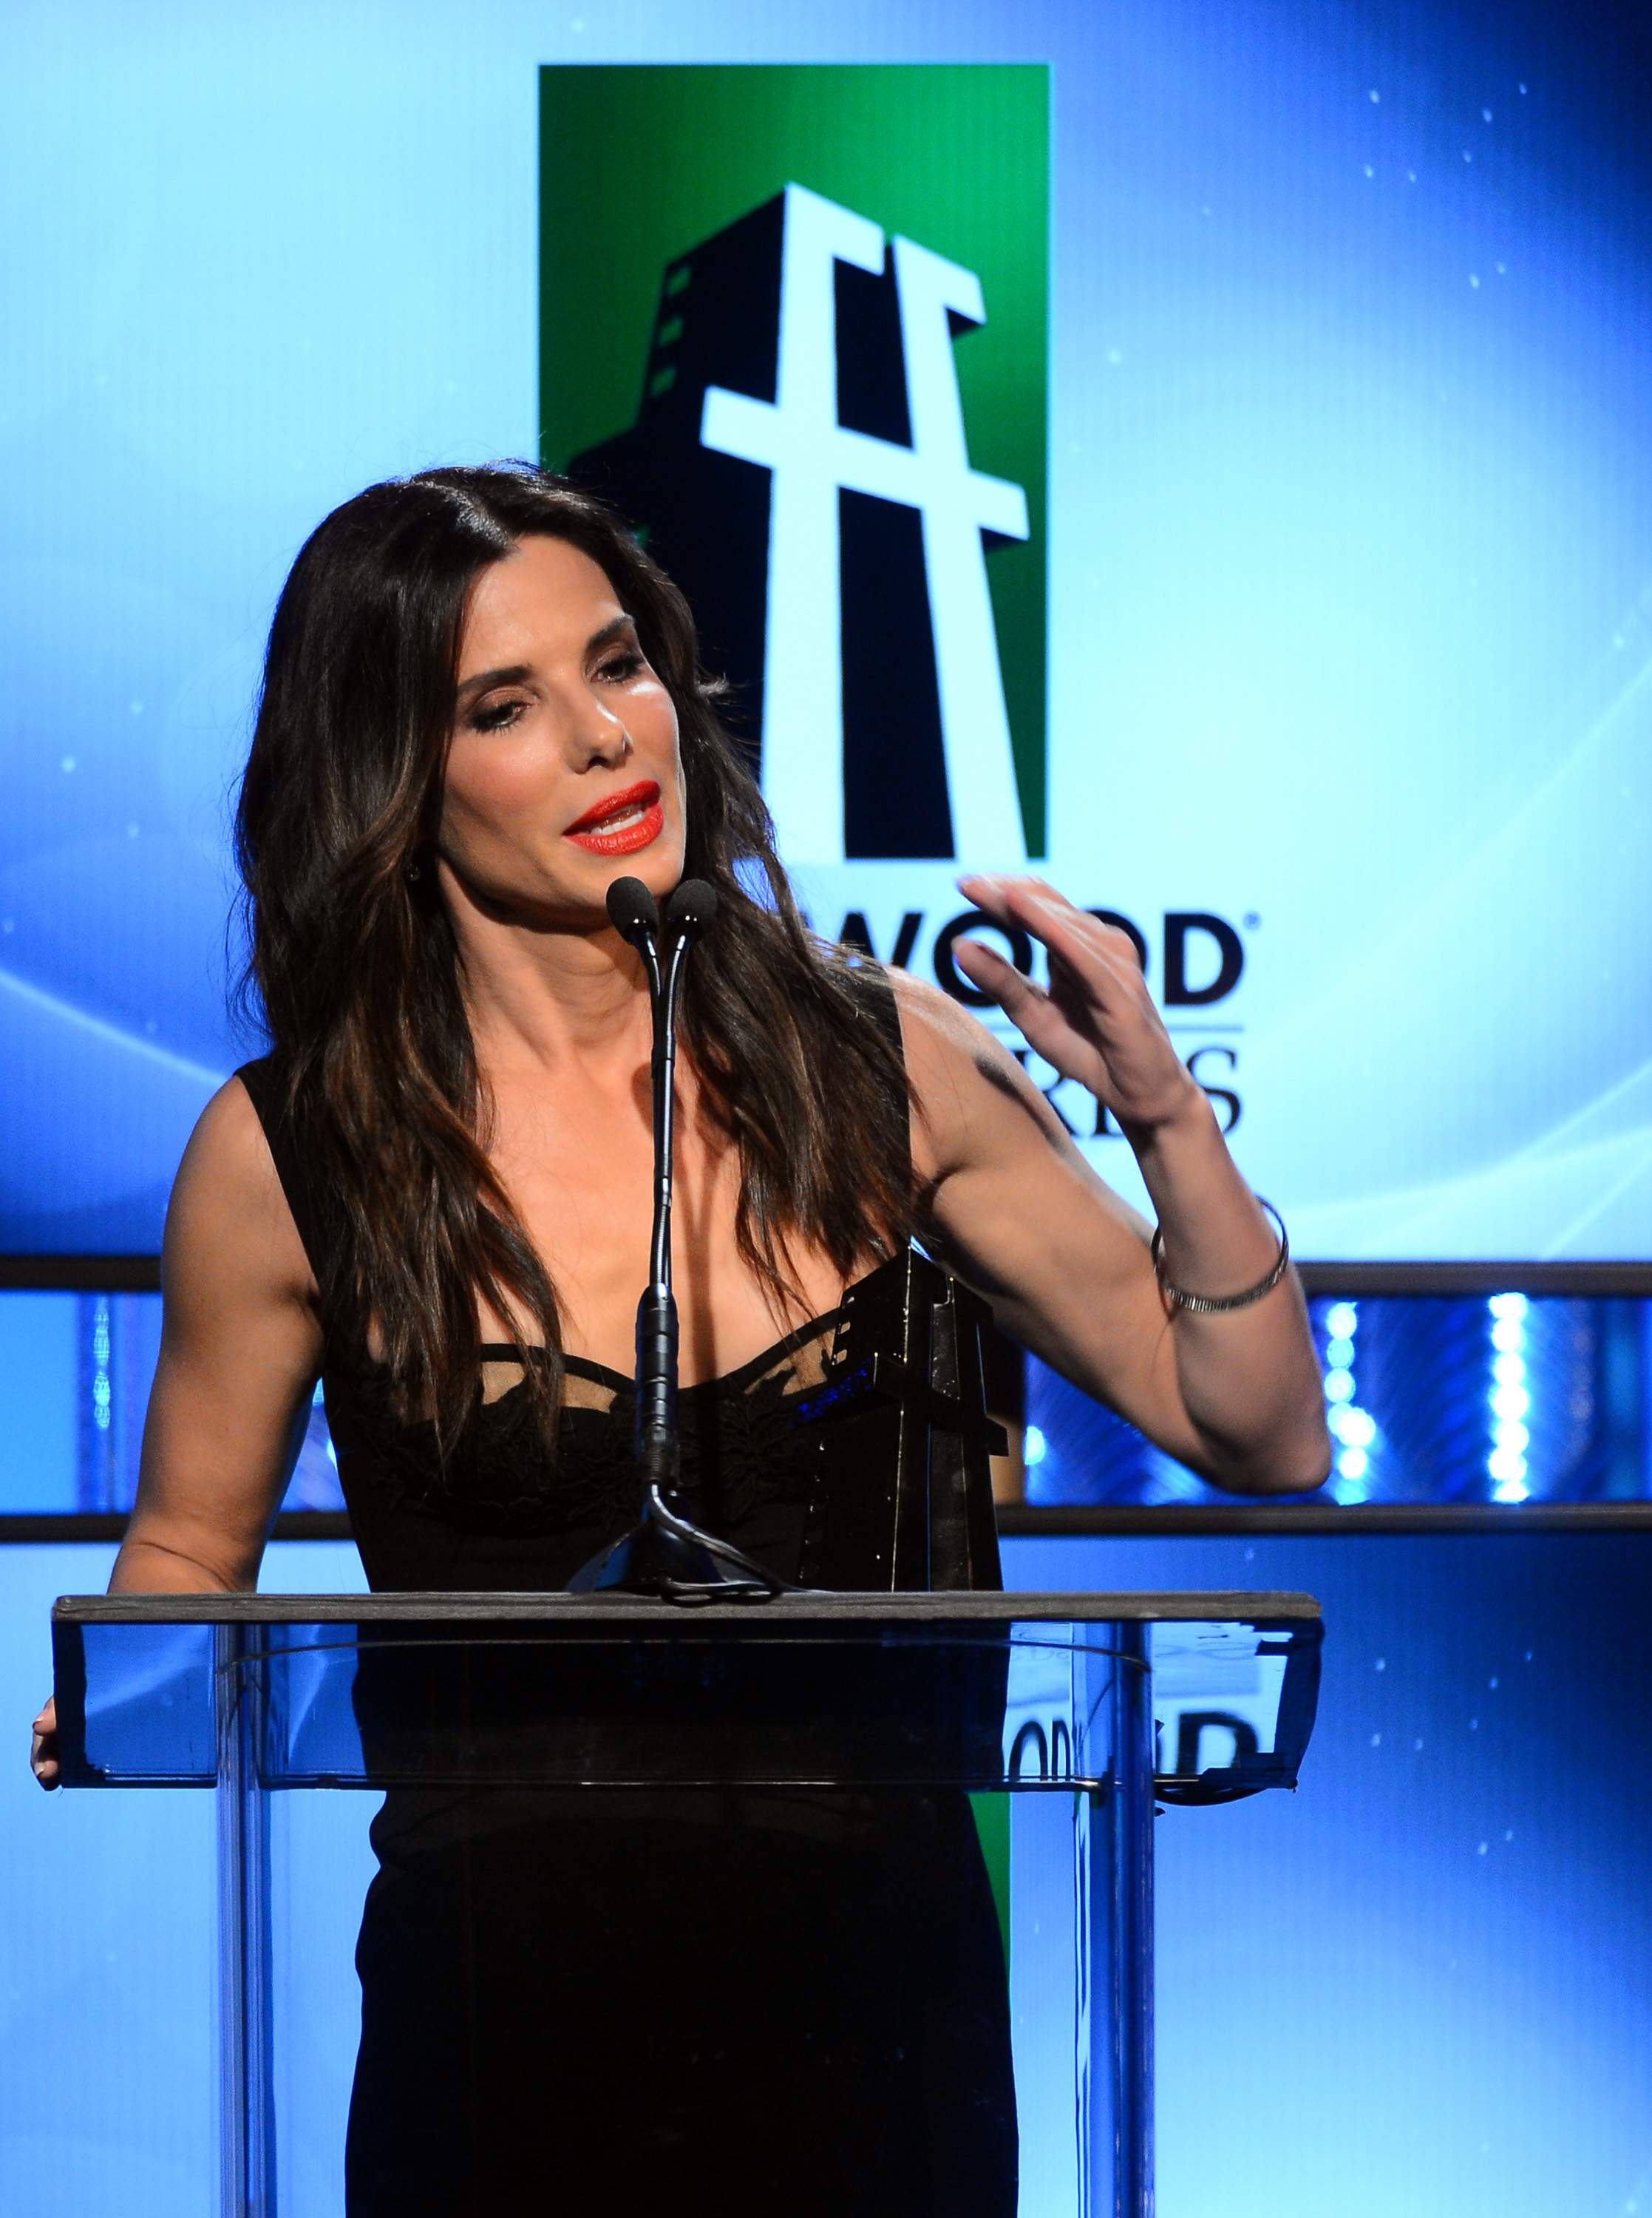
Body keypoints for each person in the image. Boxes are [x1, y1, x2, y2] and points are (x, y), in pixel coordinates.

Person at [30, 464, 1329, 2210]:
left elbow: (1259, 1433)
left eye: (618, 665)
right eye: (506, 705)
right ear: (395, 780)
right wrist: (129, 1683)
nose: (601, 739)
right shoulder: (290, 1157)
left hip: (872, 2018)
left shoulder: (877, 1062)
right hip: (499, 2031)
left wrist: (1166, 1118)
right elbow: (190, 1551)